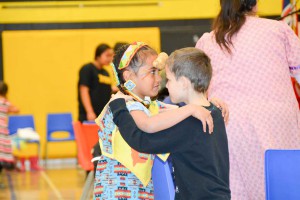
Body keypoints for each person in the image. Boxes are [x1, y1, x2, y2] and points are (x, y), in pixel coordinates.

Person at [195, 0, 300, 199]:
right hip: (277, 125)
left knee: (235, 192)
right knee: (284, 190)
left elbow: (197, 91)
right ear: (255, 4)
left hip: (227, 125)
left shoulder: (208, 40)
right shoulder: (277, 29)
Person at [93, 42, 216, 199]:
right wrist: (191, 109)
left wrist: (211, 106)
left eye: (159, 72)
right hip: (114, 190)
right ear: (129, 76)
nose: (159, 78)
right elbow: (148, 123)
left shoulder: (149, 105)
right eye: (152, 72)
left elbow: (179, 112)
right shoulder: (121, 103)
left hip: (142, 189)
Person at [78, 43, 114, 122]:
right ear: (98, 55)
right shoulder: (88, 69)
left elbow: (106, 89)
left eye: (111, 56)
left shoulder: (105, 72)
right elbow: (84, 90)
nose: (110, 58)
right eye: (107, 55)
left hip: (103, 115)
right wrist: (89, 111)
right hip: (90, 115)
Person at [0, 81, 19, 186]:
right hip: (2, 131)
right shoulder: (5, 102)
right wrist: (9, 109)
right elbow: (17, 109)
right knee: (2, 155)